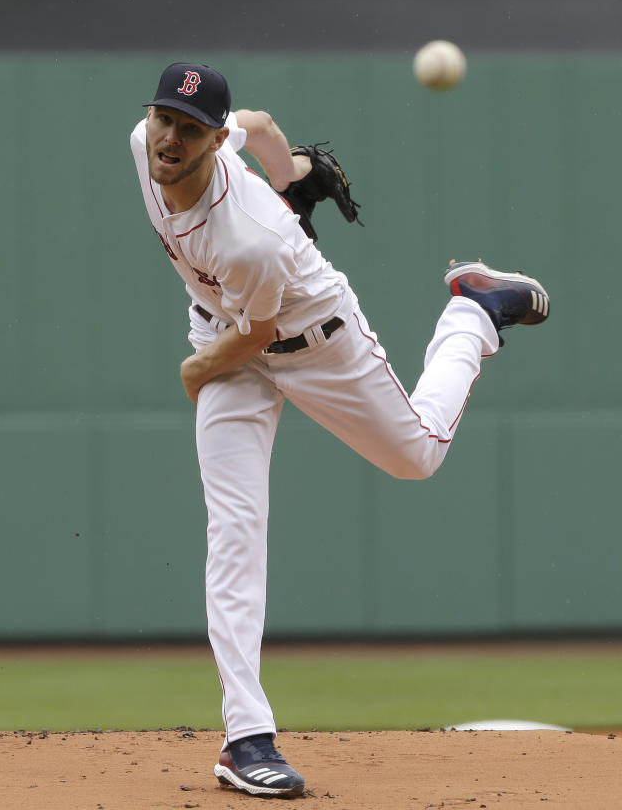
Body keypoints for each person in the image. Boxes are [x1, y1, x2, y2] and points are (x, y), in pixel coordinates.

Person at [130, 62, 550, 799]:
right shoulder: (145, 143)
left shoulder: (251, 236)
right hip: (227, 332)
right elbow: (254, 121)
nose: (169, 136)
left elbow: (255, 332)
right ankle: (246, 737)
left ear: (210, 139)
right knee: (234, 529)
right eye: (165, 117)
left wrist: (196, 373)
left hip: (311, 341)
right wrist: (289, 167)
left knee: (416, 455)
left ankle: (473, 313)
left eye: (189, 129)